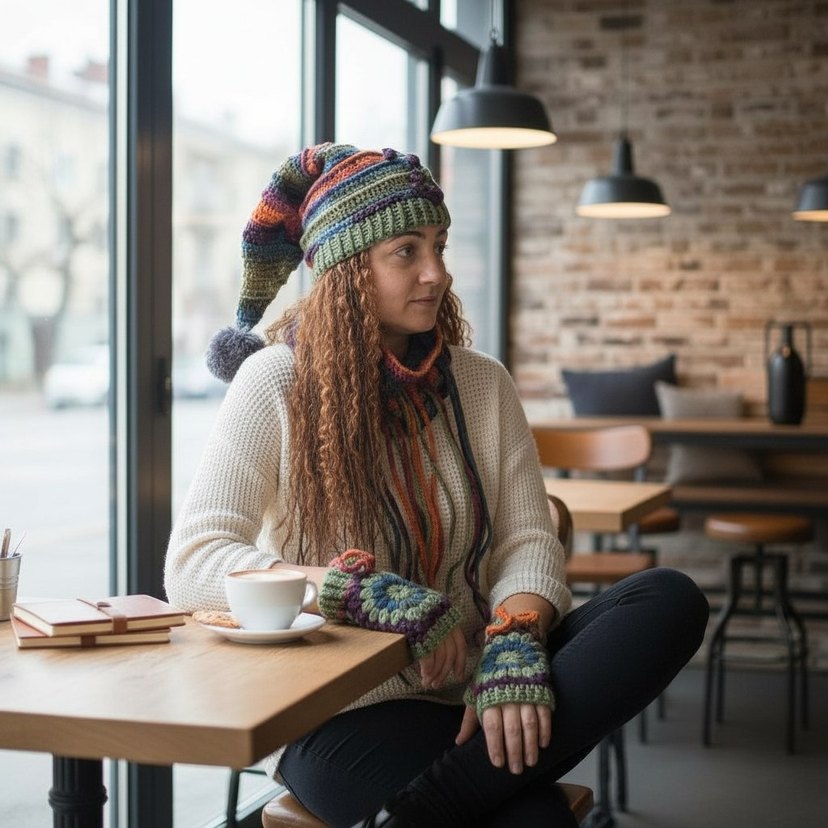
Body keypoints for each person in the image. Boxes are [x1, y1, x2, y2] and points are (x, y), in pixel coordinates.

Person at [164, 142, 709, 828]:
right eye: (407, 252)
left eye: (440, 247)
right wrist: (352, 590)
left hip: (479, 686)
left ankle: (422, 810)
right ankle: (445, 802)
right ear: (348, 268)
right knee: (534, 820)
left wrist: (516, 636)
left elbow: (527, 540)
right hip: (340, 707)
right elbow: (195, 564)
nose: (436, 274)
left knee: (668, 597)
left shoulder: (481, 383)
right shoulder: (275, 382)